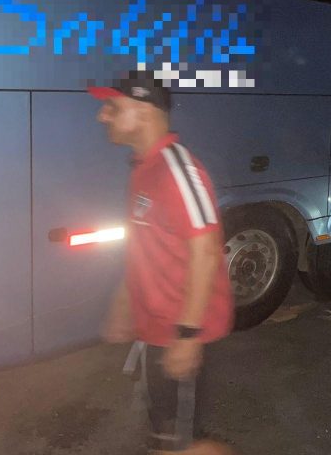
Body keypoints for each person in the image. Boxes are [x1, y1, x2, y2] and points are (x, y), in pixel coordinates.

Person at [91, 72, 235, 455]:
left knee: (180, 444)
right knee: (166, 435)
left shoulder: (178, 169)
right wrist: (124, 305)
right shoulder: (143, 167)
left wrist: (188, 337)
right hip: (155, 328)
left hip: (181, 328)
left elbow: (206, 252)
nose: (101, 116)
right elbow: (143, 247)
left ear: (142, 111)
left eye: (112, 107)